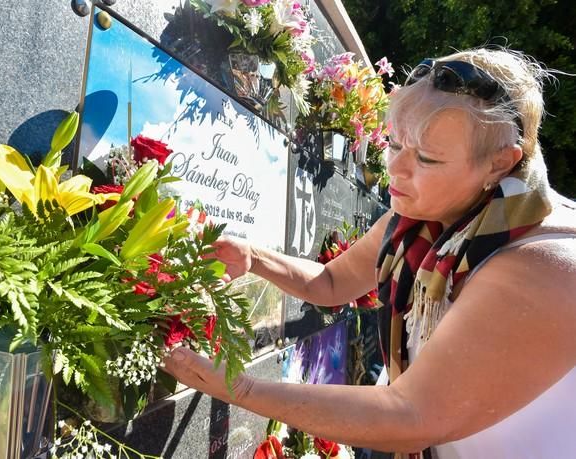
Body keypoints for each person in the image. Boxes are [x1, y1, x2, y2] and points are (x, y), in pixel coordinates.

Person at [163, 47, 576, 458]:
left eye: (427, 159)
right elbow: (331, 282)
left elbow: (411, 416)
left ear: (499, 163)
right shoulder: (420, 219)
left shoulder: (545, 263)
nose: (395, 170)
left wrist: (242, 386)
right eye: (395, 145)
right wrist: (255, 257)